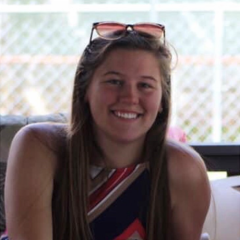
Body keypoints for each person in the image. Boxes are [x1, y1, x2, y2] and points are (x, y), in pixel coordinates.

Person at [2, 22, 211, 240]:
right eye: (114, 81)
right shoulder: (39, 147)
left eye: (145, 85)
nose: (129, 97)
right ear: (85, 90)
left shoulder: (183, 169)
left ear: (162, 101)